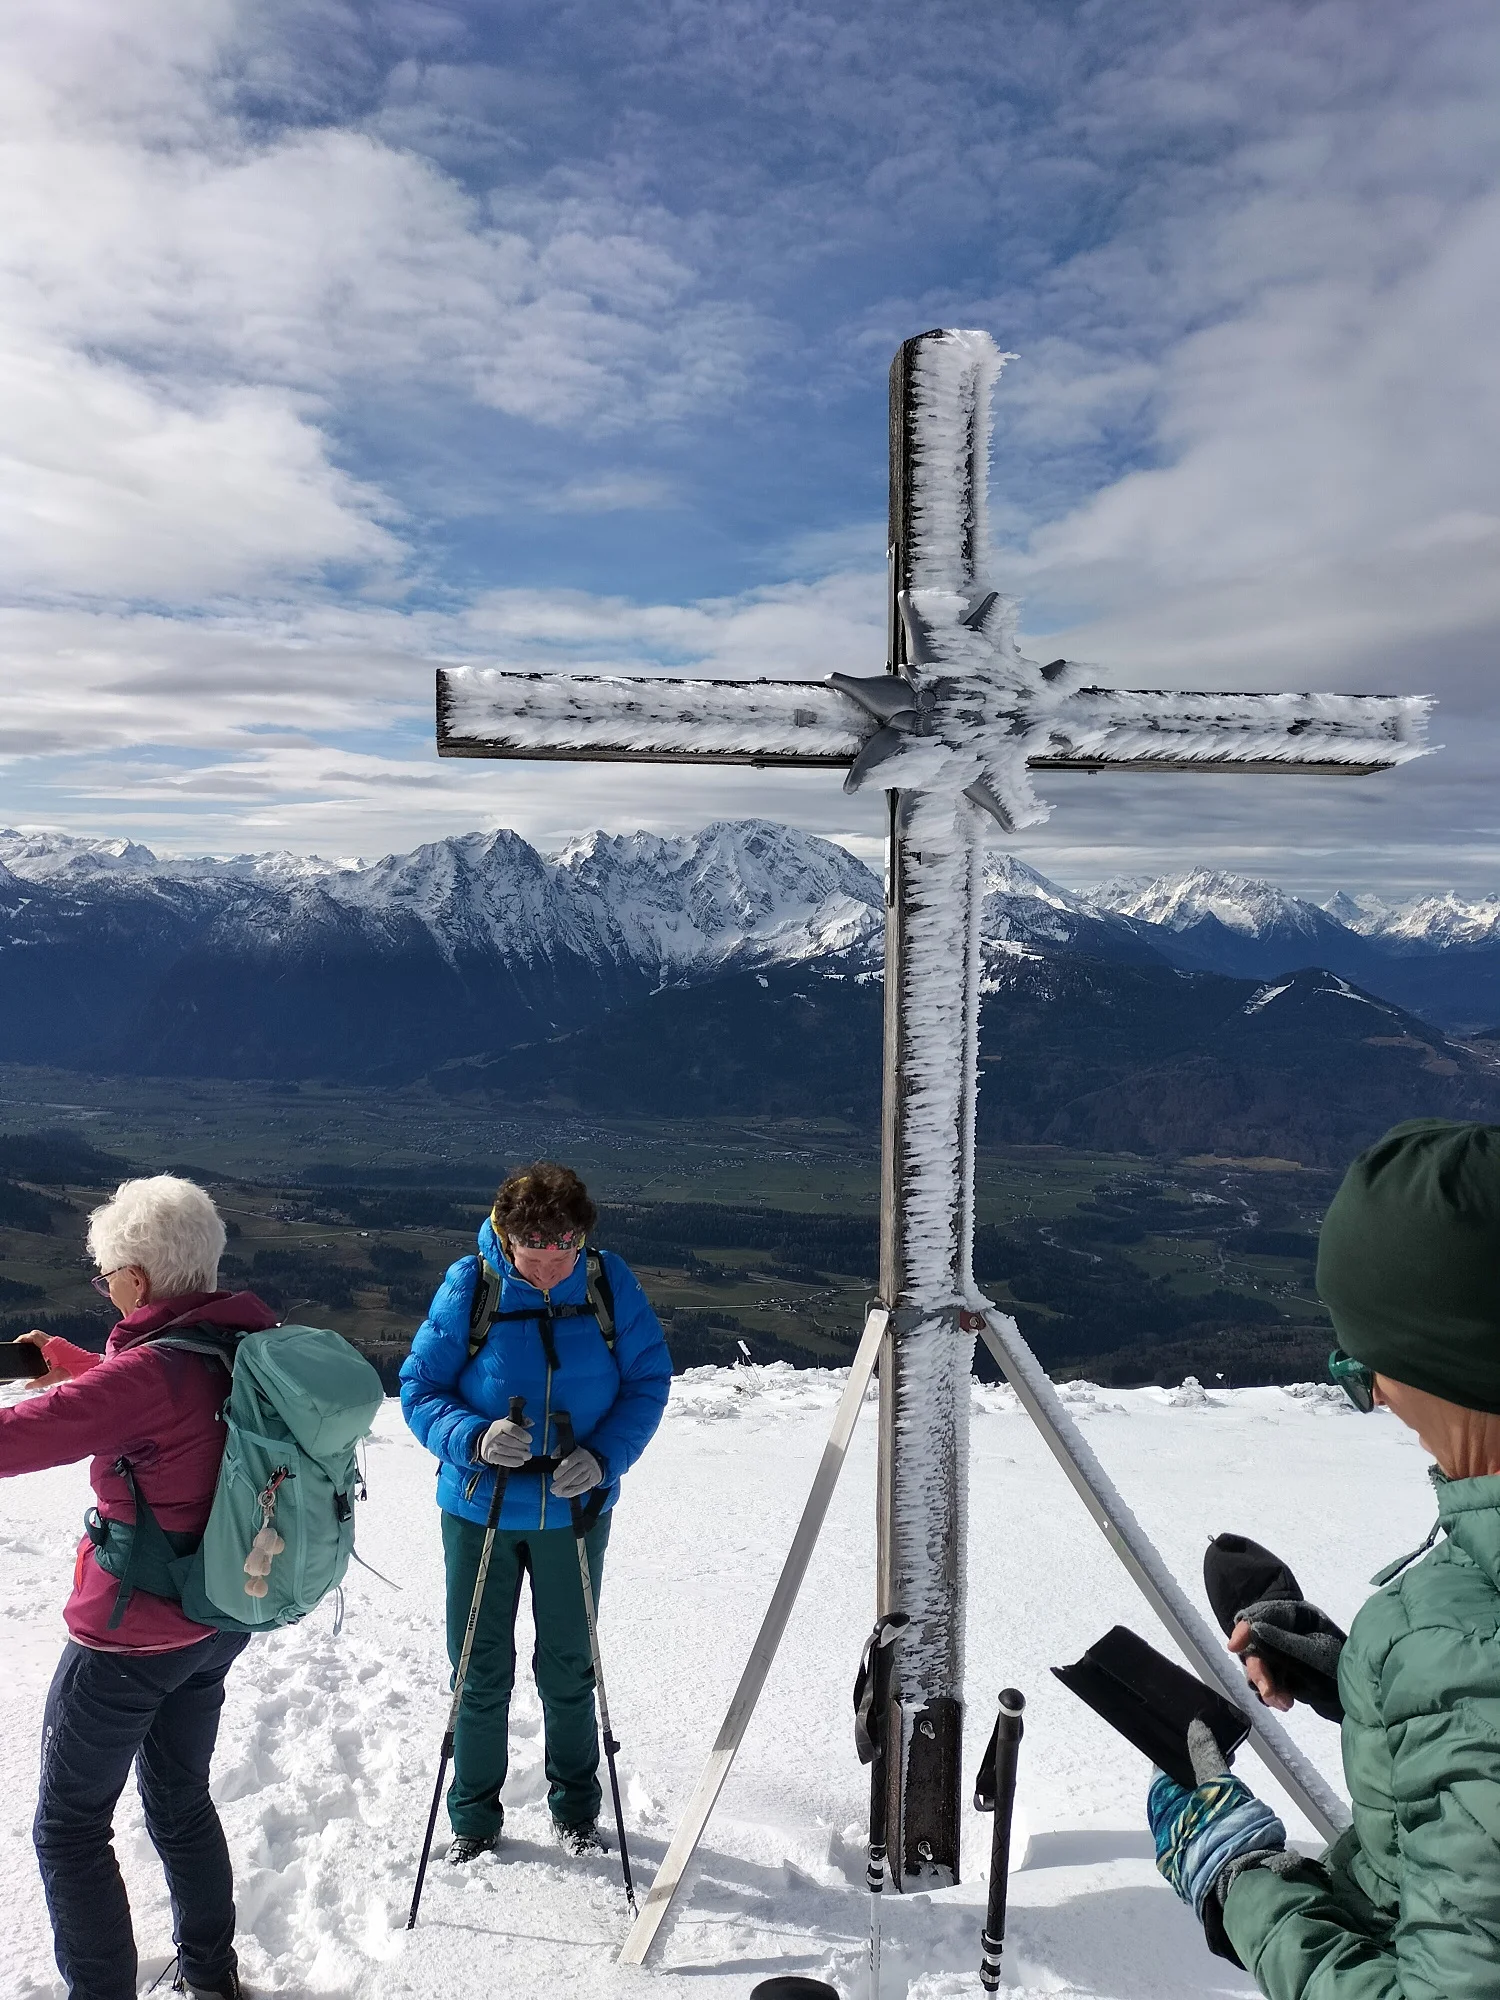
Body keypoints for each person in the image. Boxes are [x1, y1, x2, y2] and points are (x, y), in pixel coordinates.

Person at [1145, 1118, 1500, 1996]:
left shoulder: (1464, 1650)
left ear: (1451, 1357)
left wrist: (1243, 1884)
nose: (1372, 1395)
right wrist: (1371, 1691)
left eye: (1362, 1360)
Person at [1, 1174, 279, 2000]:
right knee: (181, 1800)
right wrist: (82, 1368)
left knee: (68, 1829)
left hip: (131, 1636)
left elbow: (15, 1442)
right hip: (218, 1615)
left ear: (136, 1278)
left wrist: (89, 1385)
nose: (106, 1286)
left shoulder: (150, 1374)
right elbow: (166, 1407)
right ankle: (212, 1975)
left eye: (107, 1274)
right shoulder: (232, 1343)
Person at [401, 1161, 672, 1863]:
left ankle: (576, 1810)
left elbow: (646, 1381)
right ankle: (473, 1820)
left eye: (564, 1245)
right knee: (477, 1668)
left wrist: (606, 1456)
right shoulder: (473, 1285)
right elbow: (420, 1387)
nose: (551, 1261)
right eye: (534, 1247)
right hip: (480, 1508)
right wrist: (472, 1438)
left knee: (569, 1666)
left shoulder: (609, 1283)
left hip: (573, 1510)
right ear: (506, 1235)